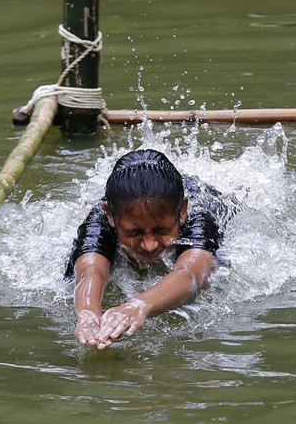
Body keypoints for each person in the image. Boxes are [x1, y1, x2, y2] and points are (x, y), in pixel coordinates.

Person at [63, 149, 233, 350]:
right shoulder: (101, 221)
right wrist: (88, 314)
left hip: (203, 200)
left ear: (182, 212)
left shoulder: (199, 217)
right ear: (111, 216)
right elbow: (91, 272)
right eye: (134, 233)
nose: (150, 245)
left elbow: (190, 275)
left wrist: (138, 306)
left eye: (162, 231)